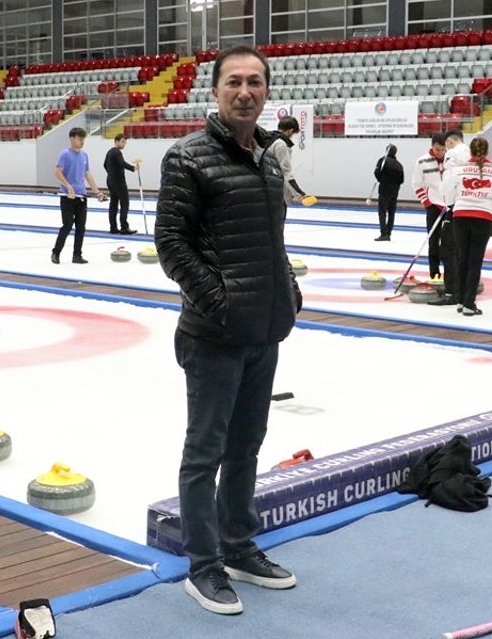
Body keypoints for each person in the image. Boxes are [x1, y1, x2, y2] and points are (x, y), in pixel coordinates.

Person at [155, 45, 302, 616]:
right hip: (213, 335)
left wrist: (286, 289)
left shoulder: (269, 157)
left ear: (267, 91)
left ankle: (239, 547)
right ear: (215, 91)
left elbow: (273, 239)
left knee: (247, 446)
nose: (246, 91)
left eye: (256, 82)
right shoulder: (187, 157)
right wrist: (221, 303)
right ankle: (203, 564)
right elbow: (171, 245)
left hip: (264, 331)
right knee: (206, 451)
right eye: (234, 82)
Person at [440, 137, 492, 317]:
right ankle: (469, 303)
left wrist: (455, 202)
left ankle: (461, 300)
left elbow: (444, 189)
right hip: (482, 218)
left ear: (470, 151)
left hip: (460, 217)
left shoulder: (459, 169)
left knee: (462, 259)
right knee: (474, 261)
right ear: (487, 152)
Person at [413, 132, 458, 304]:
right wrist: (427, 202)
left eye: (443, 149)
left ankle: (452, 277)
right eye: (437, 149)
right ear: (432, 146)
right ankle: (435, 274)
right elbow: (416, 184)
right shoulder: (422, 161)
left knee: (450, 244)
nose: (440, 152)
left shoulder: (450, 160)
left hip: (450, 206)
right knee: (433, 241)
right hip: (433, 206)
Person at [51, 127, 104, 264]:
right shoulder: (64, 154)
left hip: (81, 196)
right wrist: (68, 187)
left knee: (81, 227)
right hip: (67, 196)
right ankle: (56, 252)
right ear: (72, 138)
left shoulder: (84, 155)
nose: (82, 142)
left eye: (83, 139)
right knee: (68, 225)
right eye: (80, 139)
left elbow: (87, 174)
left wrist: (97, 191)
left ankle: (77, 255)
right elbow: (57, 172)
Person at [103, 133, 141, 234]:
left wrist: (111, 173)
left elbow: (104, 165)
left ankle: (113, 227)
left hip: (110, 180)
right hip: (118, 181)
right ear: (116, 141)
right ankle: (124, 227)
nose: (124, 144)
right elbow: (122, 163)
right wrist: (133, 168)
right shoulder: (117, 152)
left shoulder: (109, 152)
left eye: (125, 142)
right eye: (122, 142)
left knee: (113, 204)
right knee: (125, 203)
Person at [270, 116, 309, 205]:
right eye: (293, 134)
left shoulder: (268, 140)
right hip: (275, 190)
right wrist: (301, 195)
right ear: (290, 131)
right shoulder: (281, 145)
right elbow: (286, 173)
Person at [373, 143, 404, 241]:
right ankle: (389, 233)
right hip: (394, 192)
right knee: (391, 213)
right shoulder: (399, 165)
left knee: (382, 212)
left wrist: (381, 180)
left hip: (384, 190)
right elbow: (401, 180)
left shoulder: (382, 161)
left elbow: (377, 173)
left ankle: (383, 233)